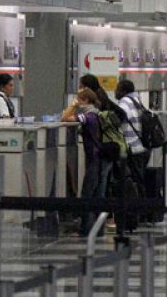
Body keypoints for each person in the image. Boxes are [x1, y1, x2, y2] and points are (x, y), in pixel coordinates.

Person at [61, 88, 112, 236]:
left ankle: (86, 229)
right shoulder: (97, 113)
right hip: (103, 158)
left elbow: (65, 118)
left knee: (87, 194)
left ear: (85, 100)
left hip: (95, 159)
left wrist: (73, 105)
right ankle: (98, 229)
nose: (77, 100)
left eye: (79, 98)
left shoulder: (88, 116)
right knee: (98, 194)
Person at [115, 79, 150, 185]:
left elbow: (117, 120)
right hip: (143, 147)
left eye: (117, 89)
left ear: (123, 91)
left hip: (132, 148)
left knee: (131, 182)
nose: (115, 91)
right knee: (139, 180)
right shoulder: (137, 101)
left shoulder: (124, 102)